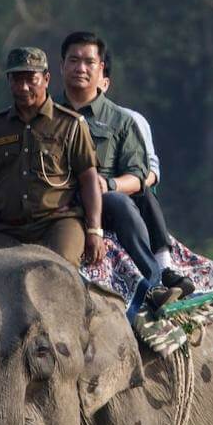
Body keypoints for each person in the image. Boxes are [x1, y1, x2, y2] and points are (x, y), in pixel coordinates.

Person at [57, 31, 193, 302]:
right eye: (73, 60)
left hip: (105, 203)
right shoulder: (46, 116)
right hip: (54, 202)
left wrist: (107, 185)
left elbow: (140, 174)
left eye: (89, 62)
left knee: (123, 200)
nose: (80, 68)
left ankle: (155, 281)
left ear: (101, 71)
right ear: (61, 67)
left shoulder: (123, 122)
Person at [0, 46, 104, 266]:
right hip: (8, 228)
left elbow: (89, 179)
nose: (23, 87)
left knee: (60, 272)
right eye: (16, 80)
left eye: (31, 79)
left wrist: (95, 230)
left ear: (46, 79)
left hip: (57, 223)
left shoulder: (71, 125)